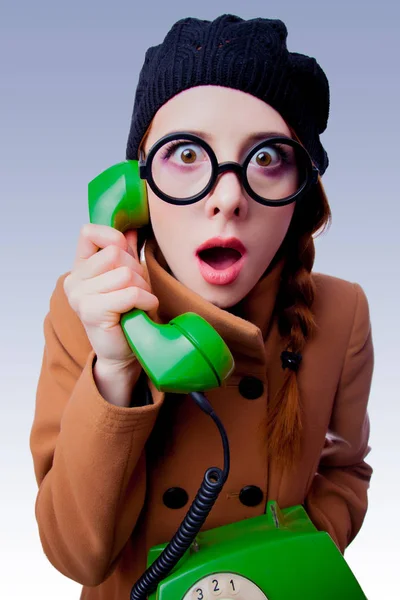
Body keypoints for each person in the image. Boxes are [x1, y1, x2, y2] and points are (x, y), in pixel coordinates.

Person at [30, 14, 374, 600]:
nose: (228, 197)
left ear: (301, 193)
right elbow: (77, 557)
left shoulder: (341, 314)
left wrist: (297, 554)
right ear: (136, 186)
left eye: (267, 159)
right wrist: (116, 370)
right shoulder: (85, 311)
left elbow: (344, 471)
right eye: (186, 153)